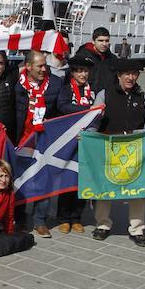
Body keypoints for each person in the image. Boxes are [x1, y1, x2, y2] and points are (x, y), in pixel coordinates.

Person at [91, 59, 145, 247]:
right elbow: (93, 120)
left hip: (135, 149)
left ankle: (137, 229)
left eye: (134, 74)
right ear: (118, 75)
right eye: (126, 74)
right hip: (110, 148)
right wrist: (88, 137)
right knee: (105, 188)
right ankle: (103, 225)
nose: (130, 77)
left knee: (138, 189)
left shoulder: (142, 96)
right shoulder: (105, 94)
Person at [15, 50, 63, 237]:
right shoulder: (17, 84)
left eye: (45, 65)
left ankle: (40, 220)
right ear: (28, 67)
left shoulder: (56, 84)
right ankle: (19, 218)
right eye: (40, 66)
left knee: (44, 179)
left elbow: (61, 110)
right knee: (19, 180)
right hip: (22, 138)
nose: (44, 69)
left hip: (44, 140)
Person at [55, 55, 95, 233]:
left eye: (85, 71)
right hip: (69, 140)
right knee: (68, 179)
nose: (83, 74)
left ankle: (77, 217)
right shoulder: (66, 90)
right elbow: (62, 106)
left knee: (83, 180)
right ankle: (63, 217)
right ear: (72, 72)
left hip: (87, 140)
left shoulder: (93, 91)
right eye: (79, 71)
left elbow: (99, 112)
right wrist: (87, 110)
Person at [74, 26, 115, 93]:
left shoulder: (113, 59)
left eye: (107, 41)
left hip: (107, 97)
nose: (104, 44)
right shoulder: (81, 57)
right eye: (100, 40)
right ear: (93, 41)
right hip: (86, 97)